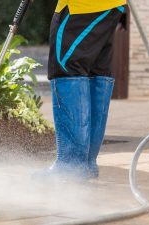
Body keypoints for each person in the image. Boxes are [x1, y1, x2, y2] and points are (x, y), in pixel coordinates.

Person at [47, 0, 127, 180]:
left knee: (66, 67)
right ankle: (85, 164)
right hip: (109, 6)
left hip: (82, 7)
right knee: (94, 72)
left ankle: (71, 166)